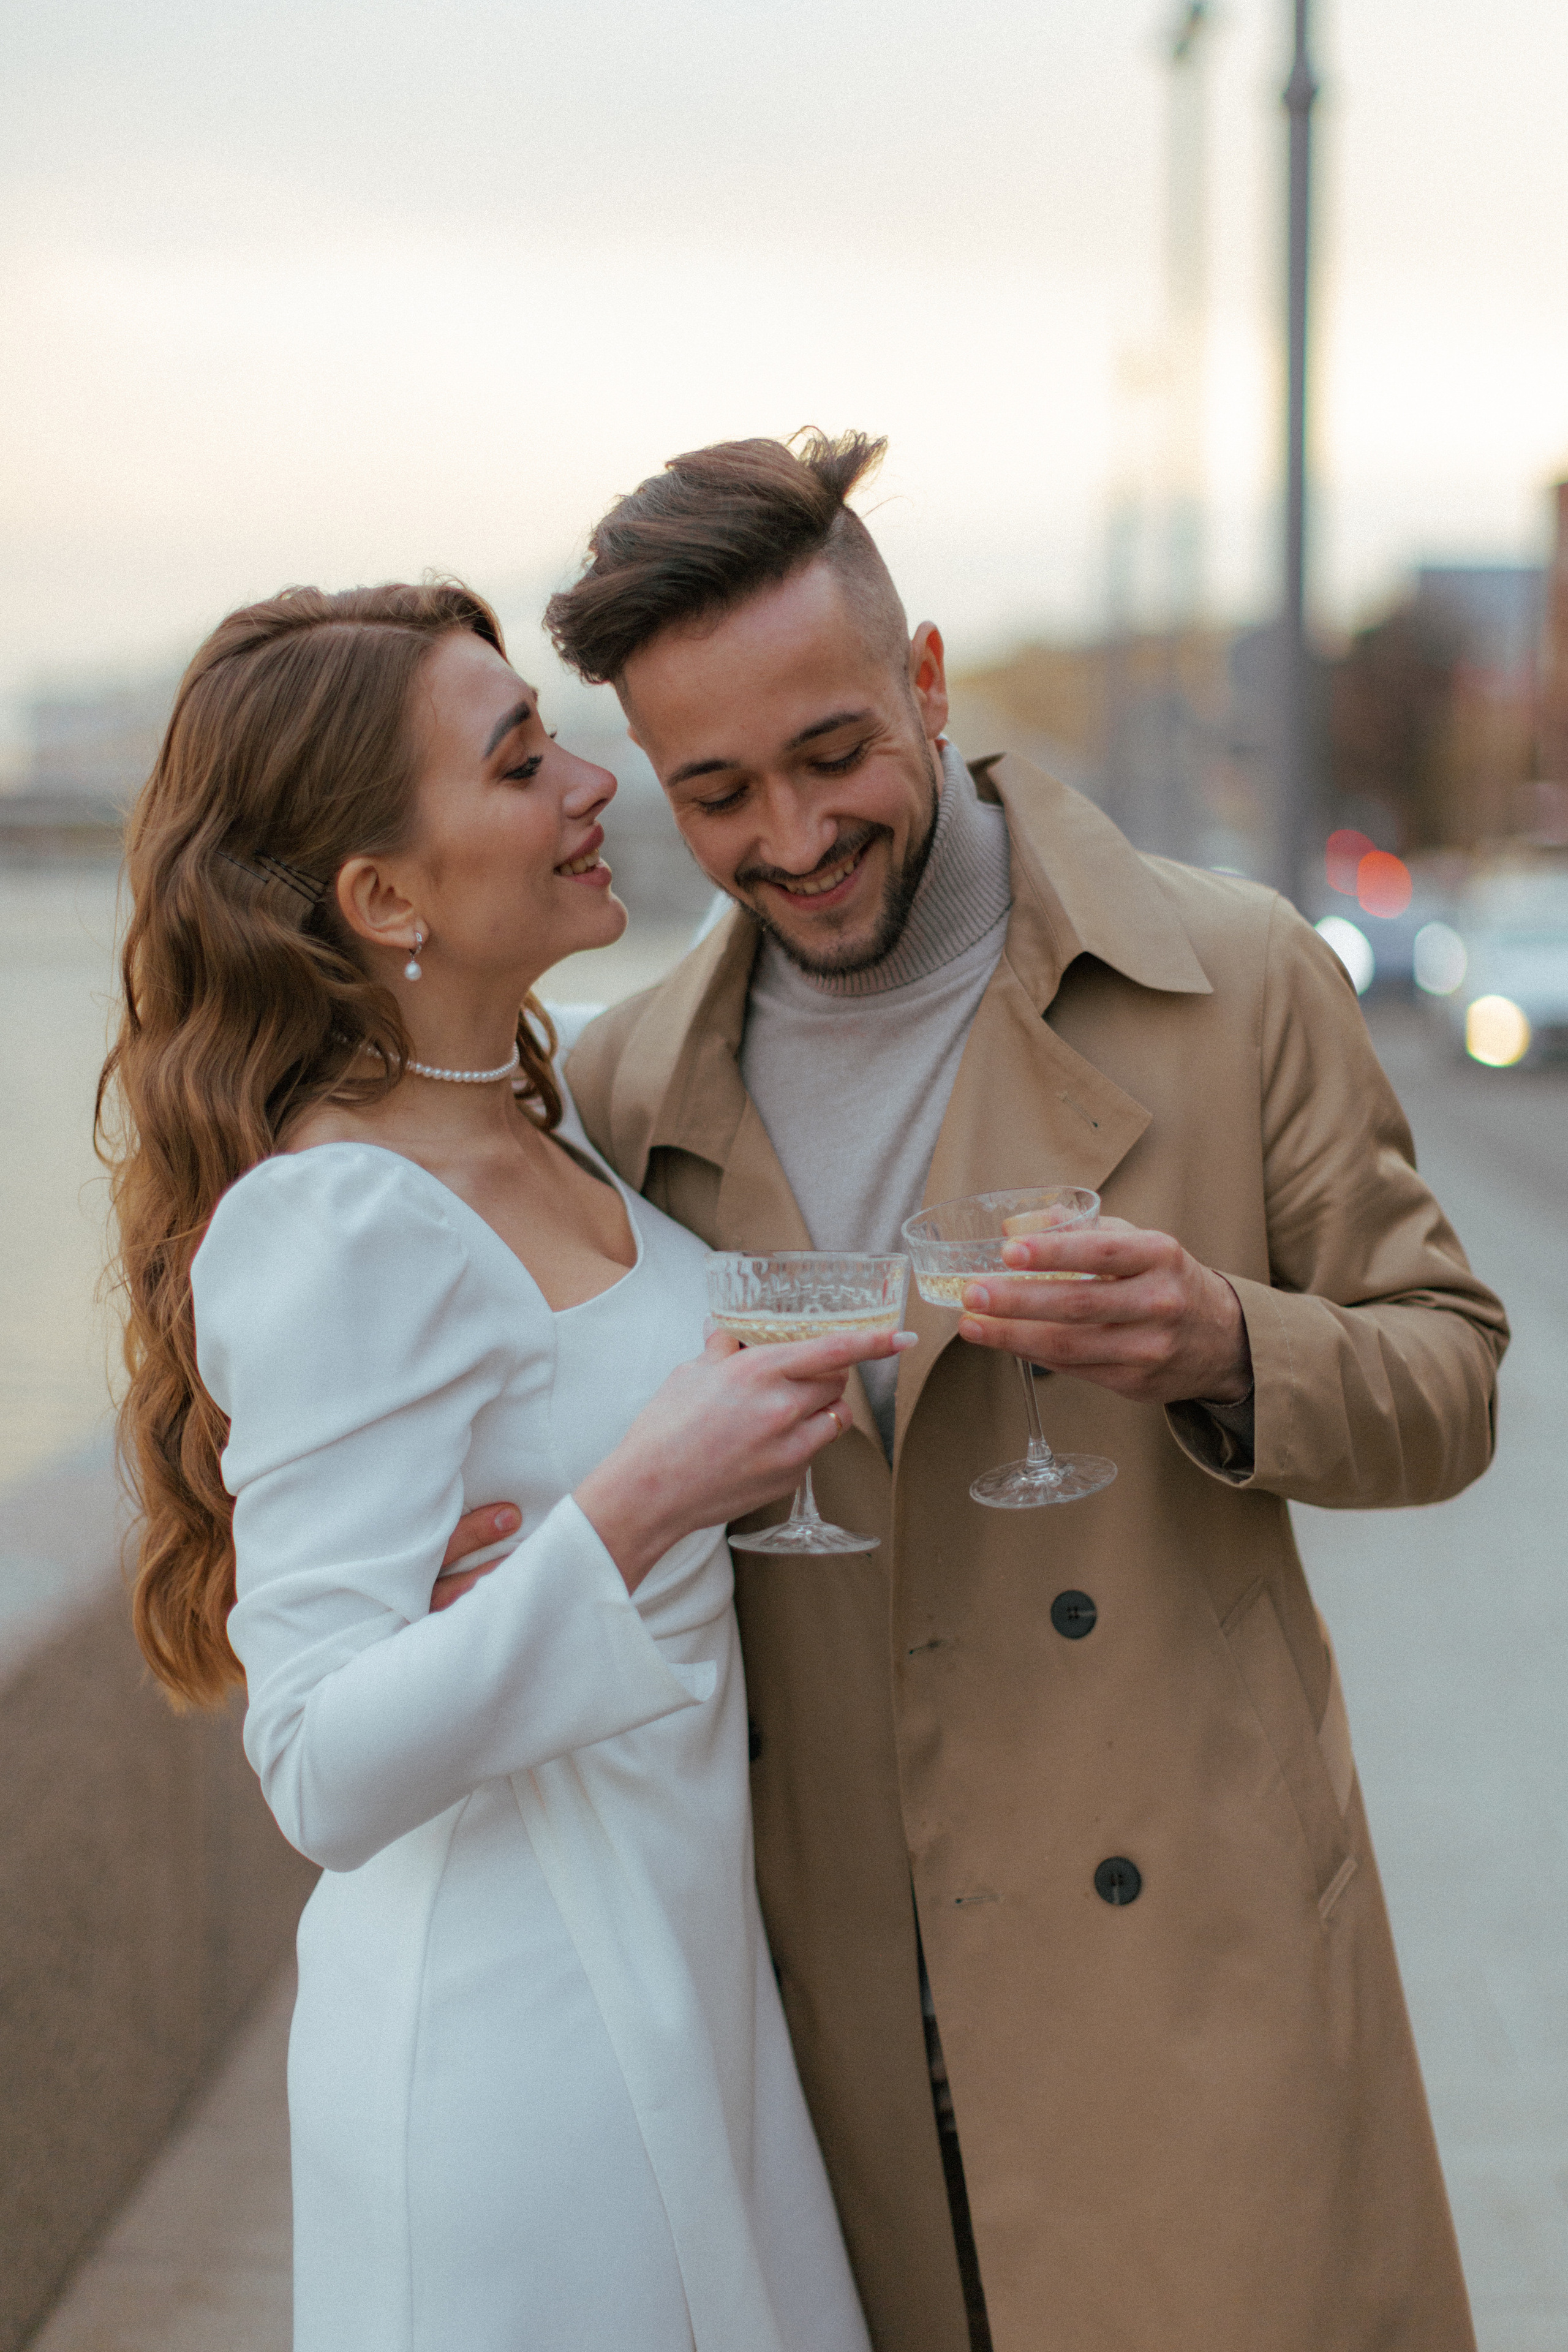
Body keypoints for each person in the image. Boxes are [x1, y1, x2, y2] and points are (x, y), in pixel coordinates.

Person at [440, 434, 1509, 2352]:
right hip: (830, 2026)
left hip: (1195, 2000)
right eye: (716, 792)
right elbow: (582, 1466)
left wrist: (1227, 1345)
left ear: (927, 682)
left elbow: (1452, 1382)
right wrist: (503, 1555)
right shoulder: (616, 1095)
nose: (790, 835)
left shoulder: (1235, 980)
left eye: (835, 752)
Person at [97, 581, 895, 2352]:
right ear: (384, 896)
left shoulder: (549, 1129)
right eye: (524, 760)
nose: (596, 780)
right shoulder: (336, 1220)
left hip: (693, 1978)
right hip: (520, 2049)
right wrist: (635, 1507)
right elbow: (314, 1763)